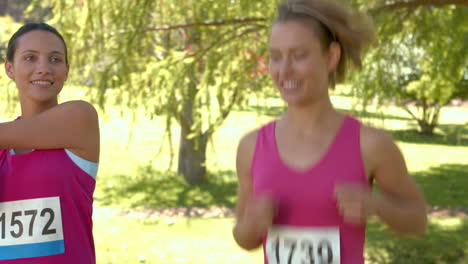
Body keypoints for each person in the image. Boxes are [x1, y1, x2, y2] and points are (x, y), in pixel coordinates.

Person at [232, 0, 427, 263]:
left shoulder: (370, 145)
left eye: (298, 55)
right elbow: (244, 238)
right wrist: (251, 224)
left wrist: (377, 205)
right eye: (275, 56)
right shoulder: (251, 147)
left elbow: (417, 220)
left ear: (331, 57)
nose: (284, 69)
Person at [0, 23, 99, 263]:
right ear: (10, 68)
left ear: (66, 70)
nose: (43, 68)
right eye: (30, 58)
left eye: (55, 59)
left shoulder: (80, 117)